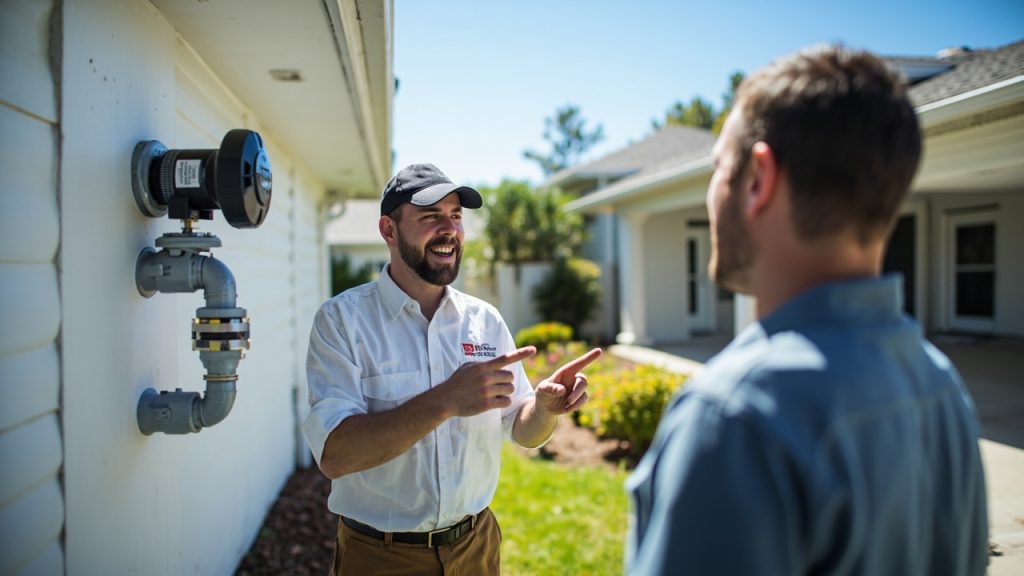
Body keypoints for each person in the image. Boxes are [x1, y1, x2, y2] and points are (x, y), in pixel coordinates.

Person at [626, 45, 989, 575]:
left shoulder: (735, 415)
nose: (711, 192)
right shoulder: (941, 384)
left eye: (718, 168)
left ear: (757, 179)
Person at [303, 162, 601, 575]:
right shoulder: (342, 322)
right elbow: (334, 456)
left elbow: (522, 429)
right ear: (389, 230)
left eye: (456, 216)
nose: (449, 229)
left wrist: (545, 410)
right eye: (430, 217)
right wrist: (445, 400)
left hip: (476, 547)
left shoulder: (485, 321)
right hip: (380, 558)